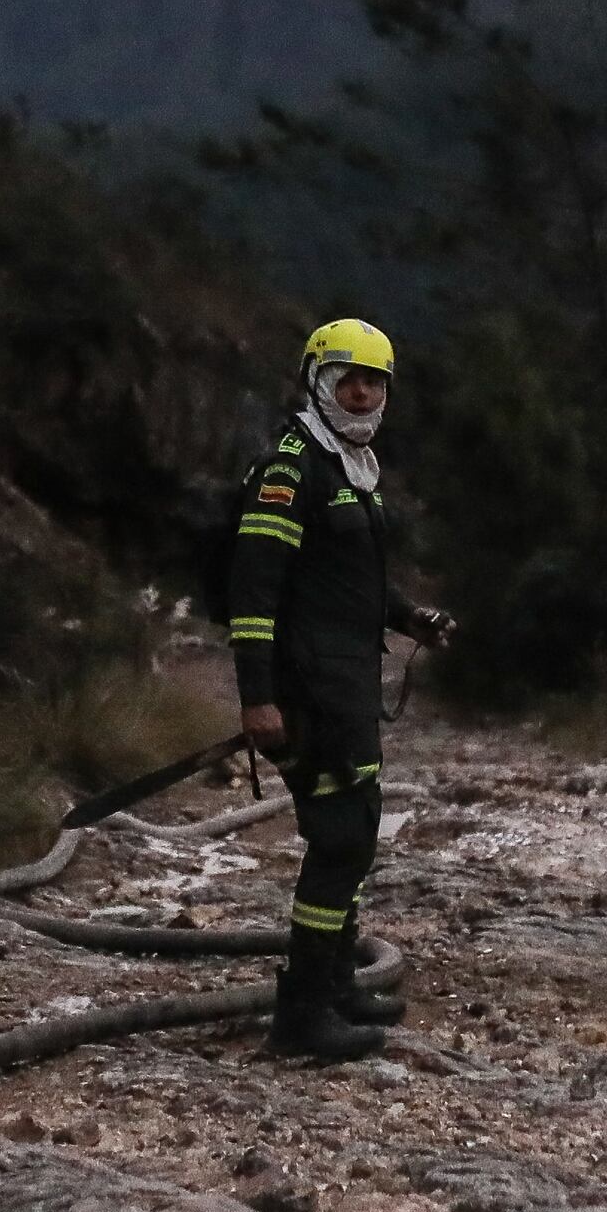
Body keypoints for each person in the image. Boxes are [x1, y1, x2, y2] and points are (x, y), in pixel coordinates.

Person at [227, 317, 453, 1063]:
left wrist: (409, 616)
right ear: (317, 380)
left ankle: (336, 986)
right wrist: (257, 697)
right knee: (341, 837)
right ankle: (302, 1015)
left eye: (375, 379)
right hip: (308, 689)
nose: (361, 390)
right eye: (347, 377)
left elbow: (353, 580)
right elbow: (254, 589)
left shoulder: (353, 465)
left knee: (358, 828)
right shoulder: (294, 468)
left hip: (346, 683)